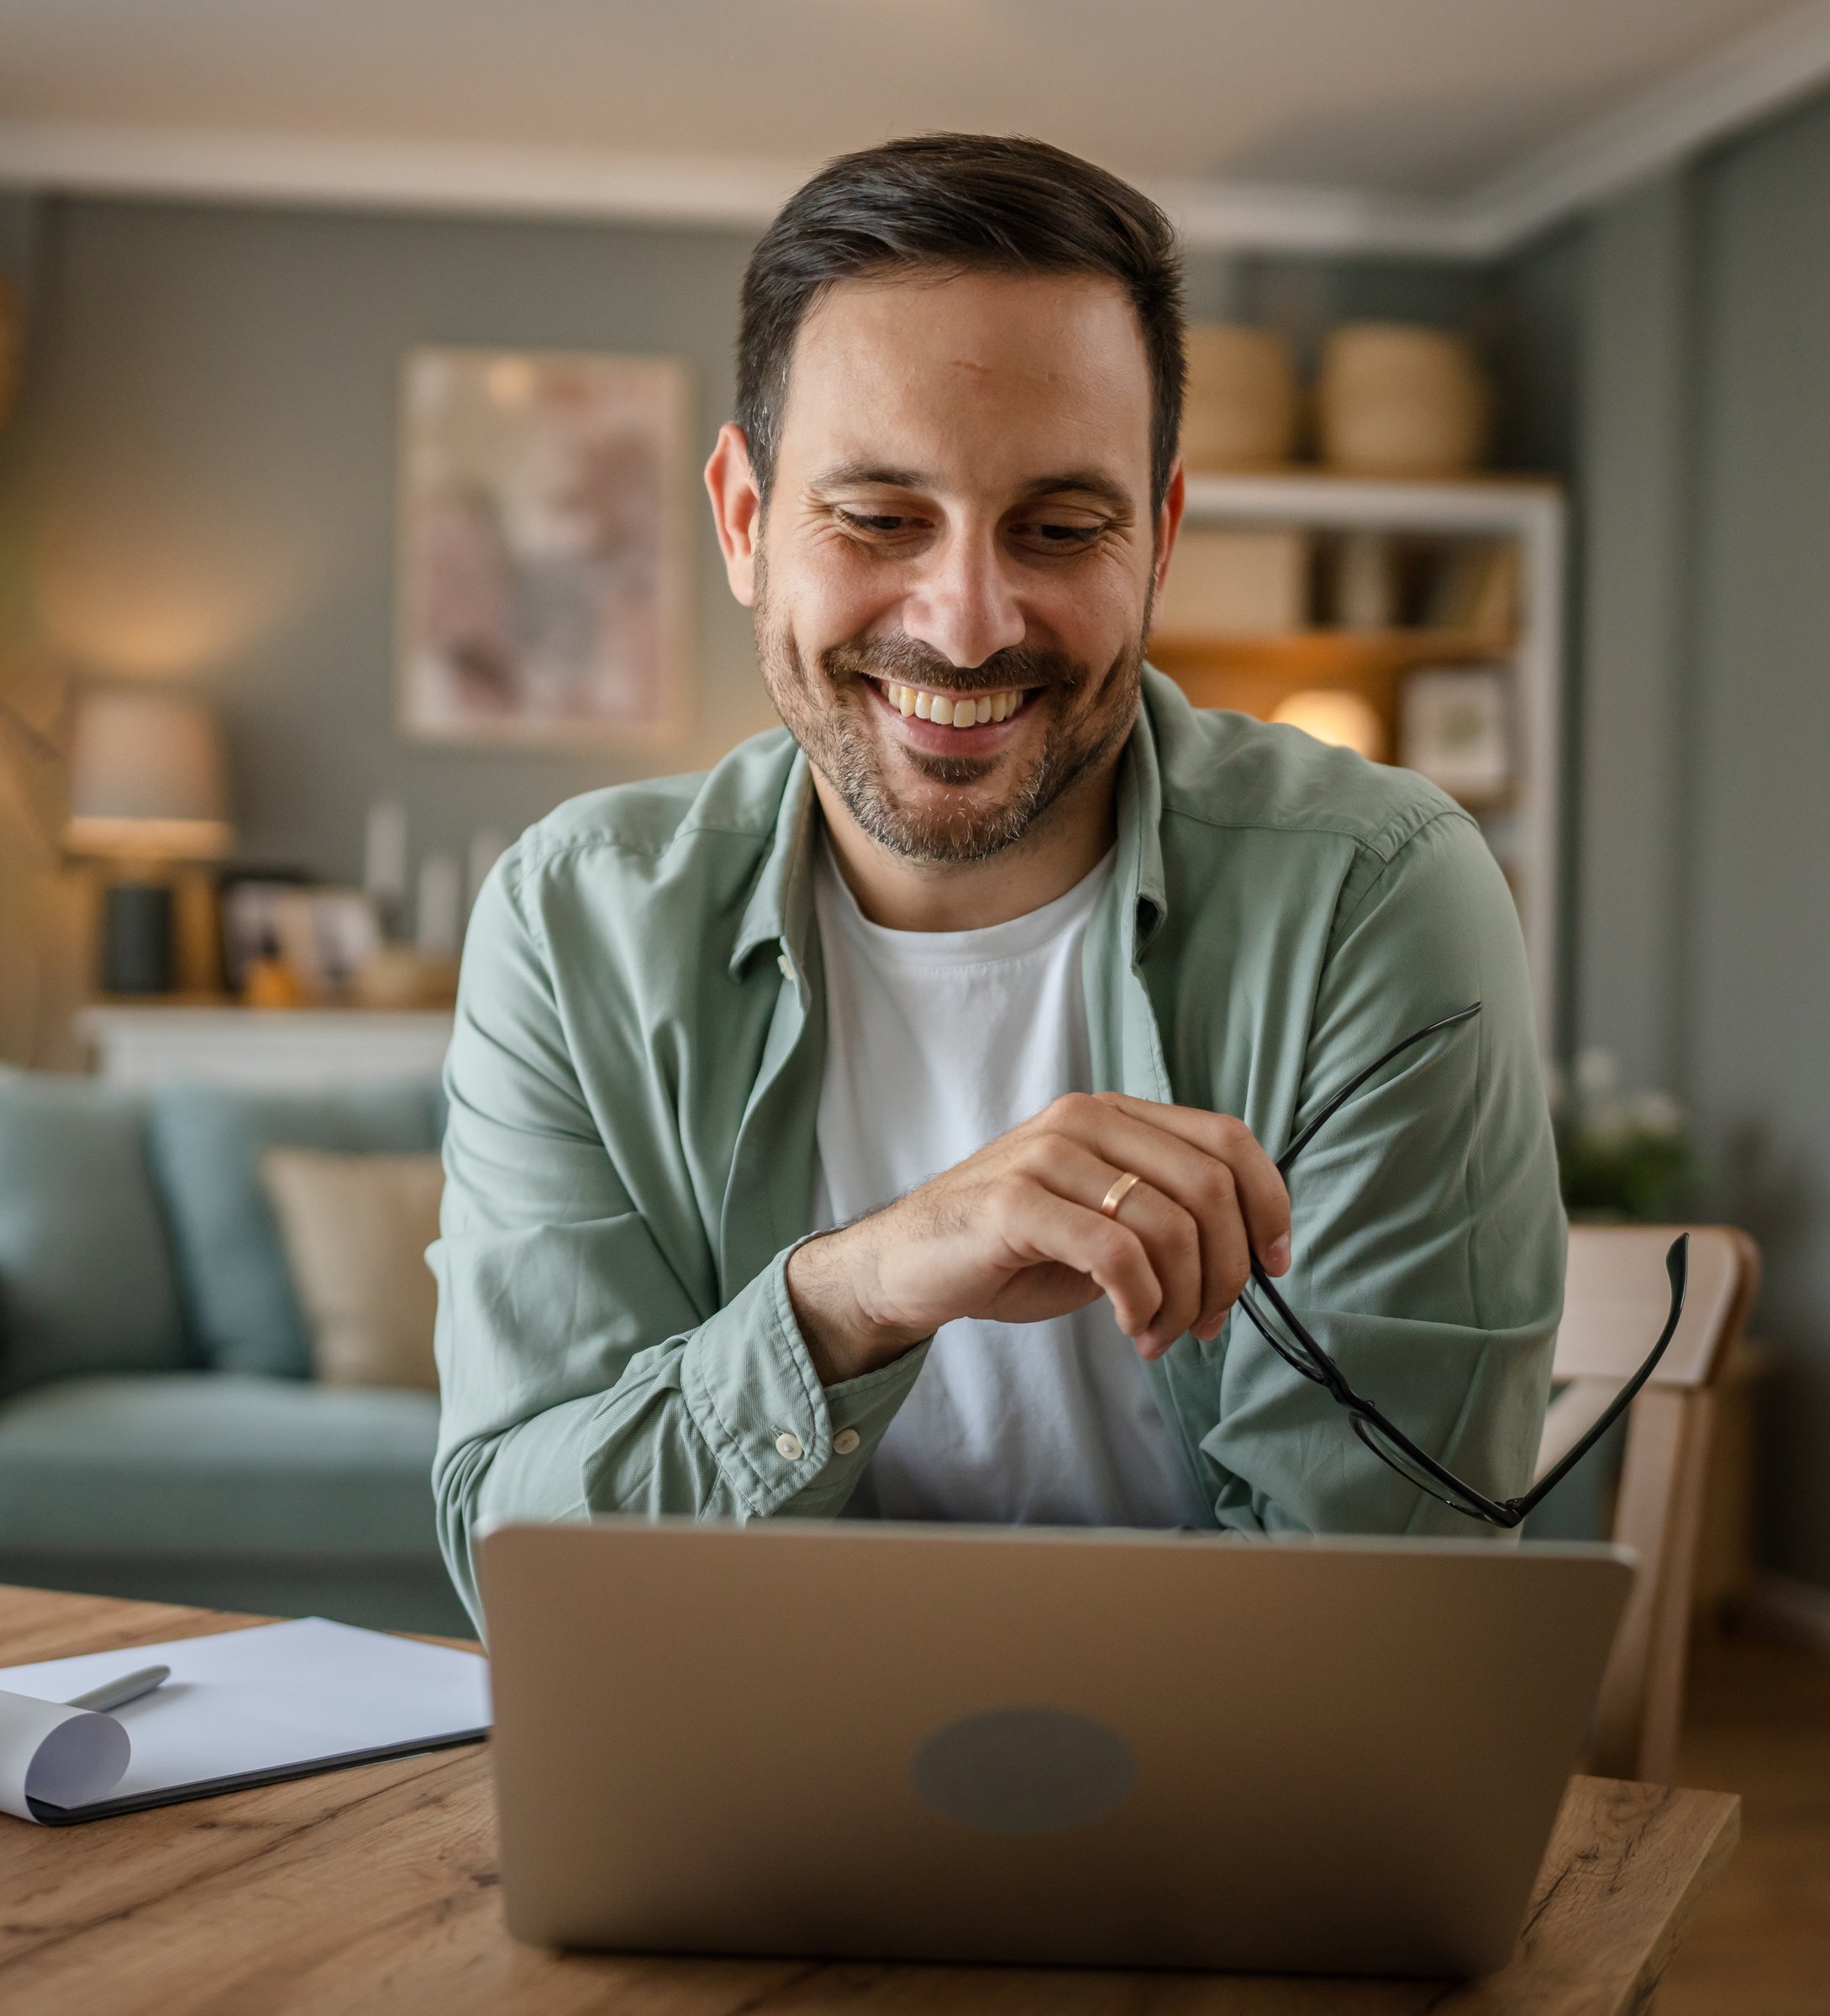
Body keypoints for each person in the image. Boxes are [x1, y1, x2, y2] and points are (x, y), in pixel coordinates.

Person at [431, 133, 1565, 1623]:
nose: (967, 626)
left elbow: (1365, 1618)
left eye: (1060, 526)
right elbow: (522, 1563)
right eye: (880, 518)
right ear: (743, 522)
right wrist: (863, 1289)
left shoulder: (1377, 900)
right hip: (746, 1815)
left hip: (1215, 1833)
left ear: (1157, 538)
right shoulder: (571, 918)